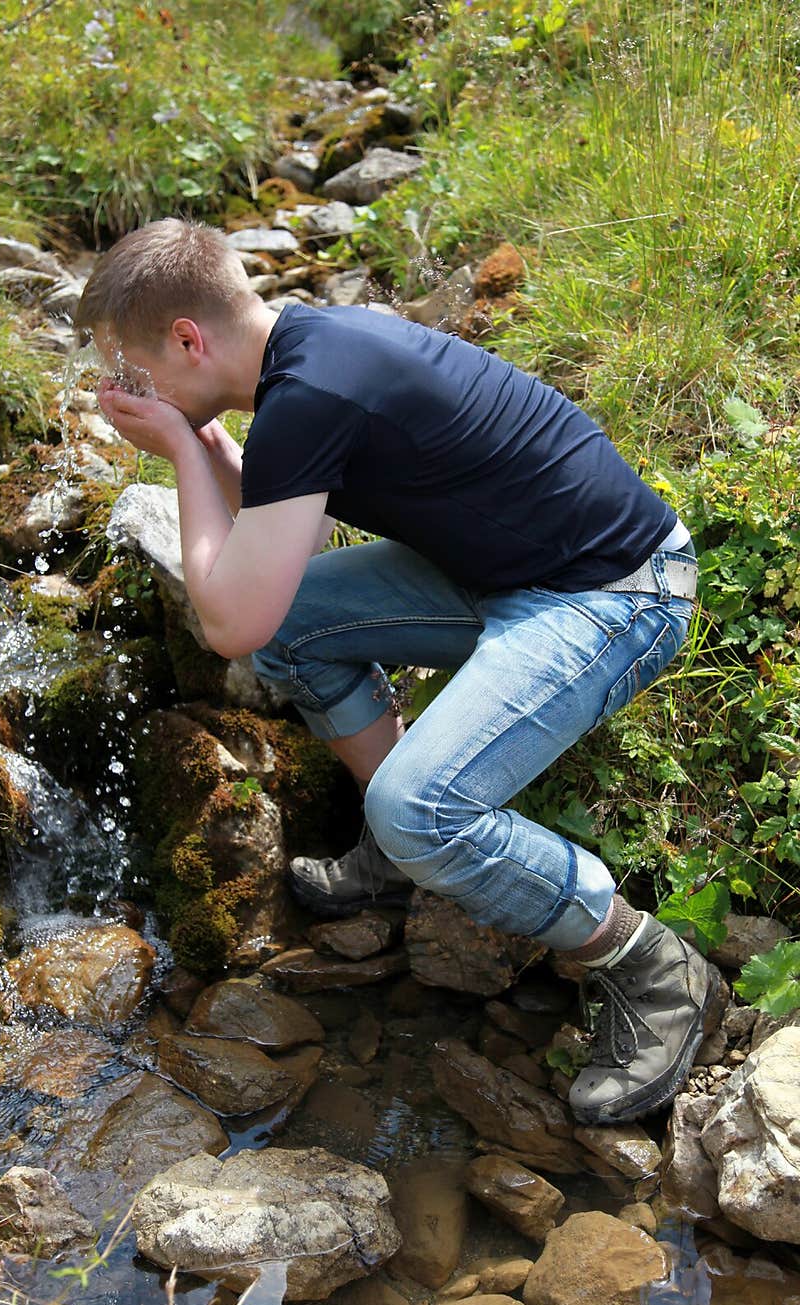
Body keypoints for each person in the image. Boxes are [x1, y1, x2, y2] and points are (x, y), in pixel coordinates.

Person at [76, 216, 723, 1127]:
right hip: (502, 574)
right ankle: (405, 854)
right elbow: (270, 572)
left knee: (422, 806)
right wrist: (211, 445)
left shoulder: (313, 394)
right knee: (295, 632)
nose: (117, 393)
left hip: (617, 593)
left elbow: (227, 620)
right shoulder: (306, 355)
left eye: (130, 373)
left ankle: (649, 964)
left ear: (190, 339)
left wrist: (182, 449)